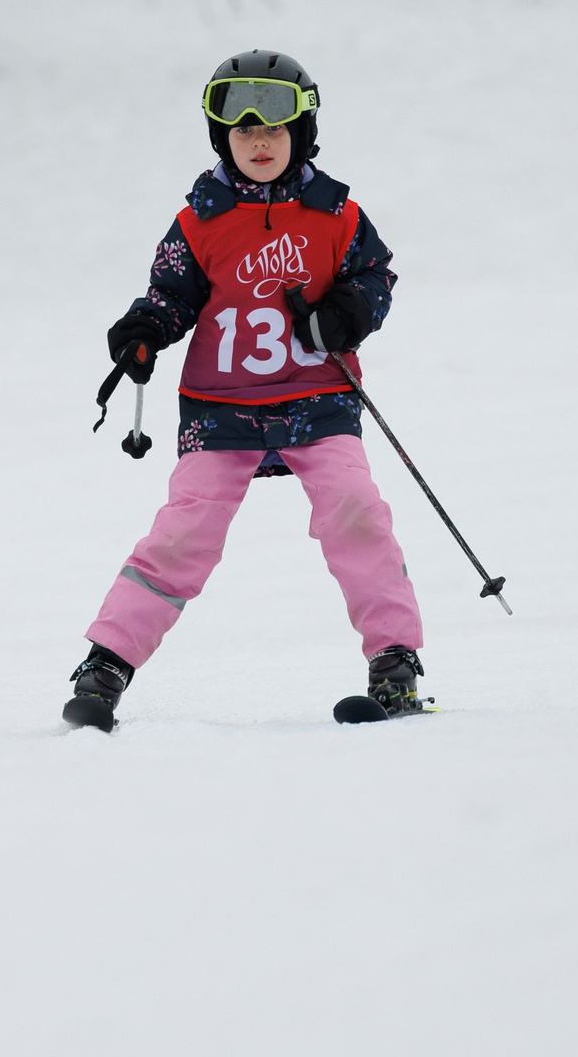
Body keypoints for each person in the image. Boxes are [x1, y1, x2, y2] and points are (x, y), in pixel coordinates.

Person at [69, 52, 422, 732]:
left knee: (354, 511)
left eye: (273, 131)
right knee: (184, 532)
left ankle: (395, 661)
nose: (258, 144)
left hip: (318, 398)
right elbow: (170, 294)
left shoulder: (338, 215)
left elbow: (376, 278)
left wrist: (344, 313)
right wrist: (145, 331)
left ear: (303, 134)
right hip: (220, 408)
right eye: (241, 132)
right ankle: (106, 663)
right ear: (220, 138)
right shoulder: (201, 219)